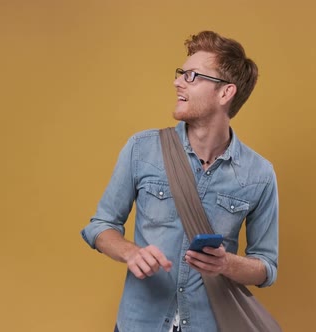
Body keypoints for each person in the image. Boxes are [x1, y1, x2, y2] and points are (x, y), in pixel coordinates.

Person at [81, 30, 279, 332]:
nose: (177, 82)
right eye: (180, 74)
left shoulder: (260, 174)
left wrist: (226, 264)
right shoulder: (141, 149)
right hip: (140, 324)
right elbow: (99, 226)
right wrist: (130, 252)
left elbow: (266, 267)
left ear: (225, 93)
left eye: (192, 76)